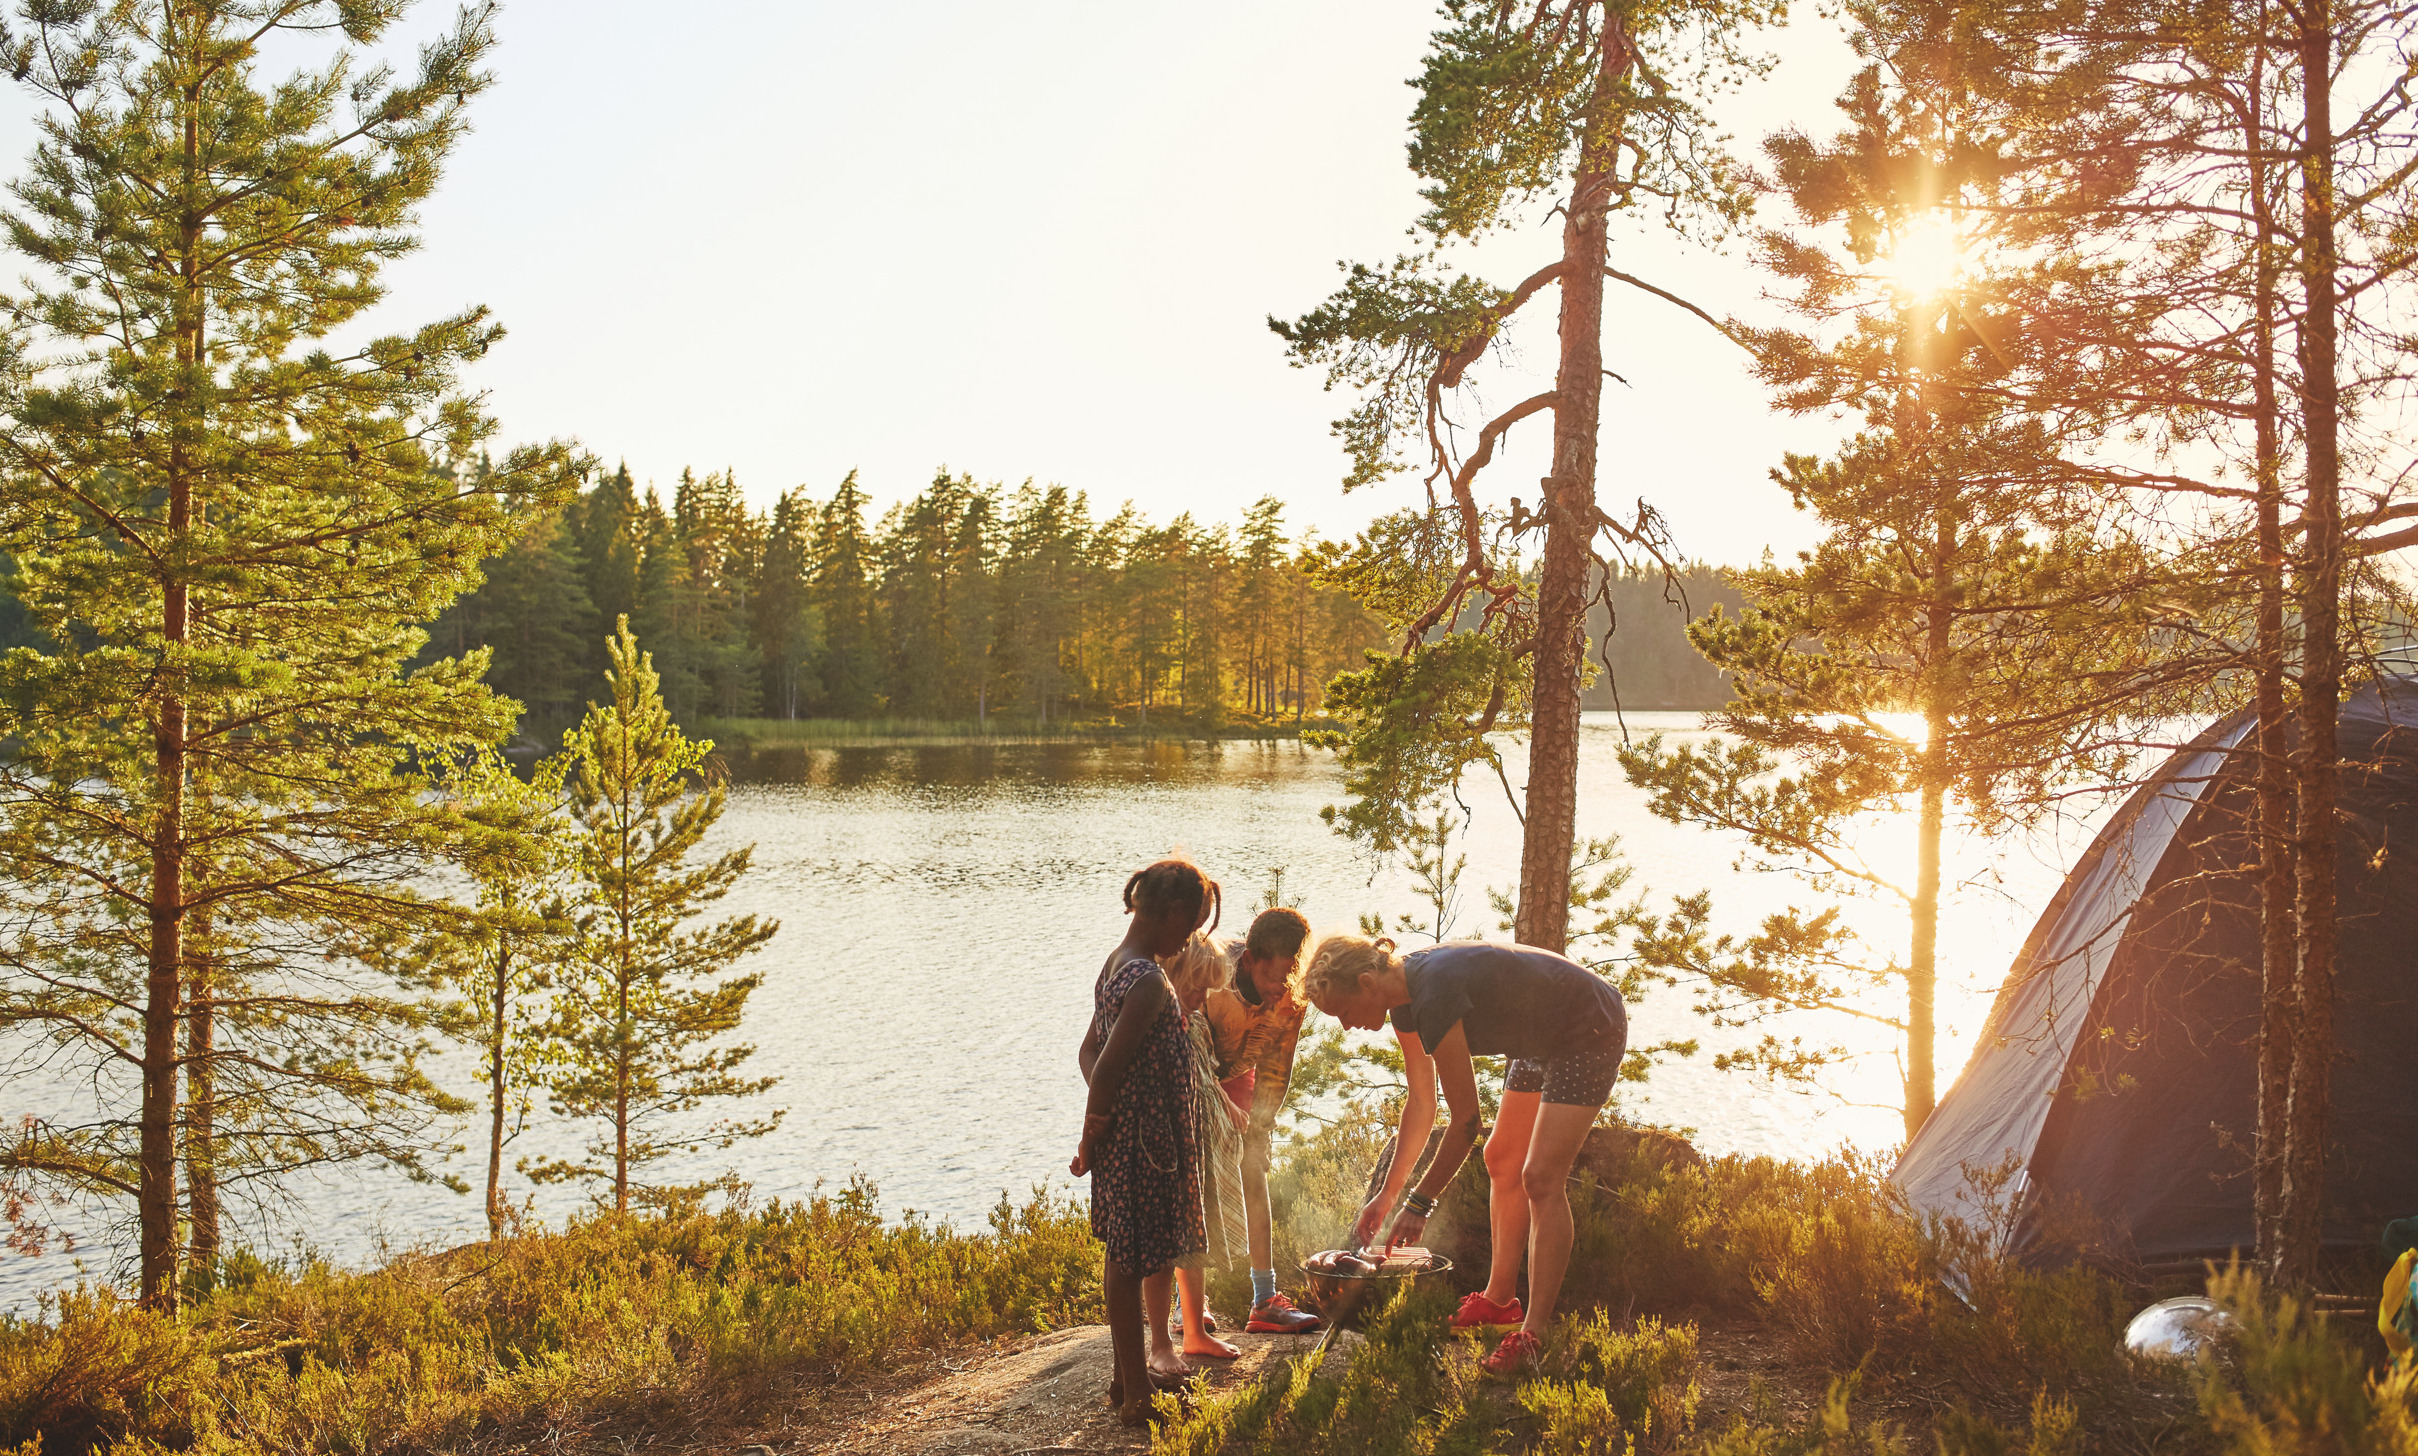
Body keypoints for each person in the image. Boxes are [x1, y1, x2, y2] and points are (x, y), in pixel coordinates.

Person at [1301, 933, 1628, 1378]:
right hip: (1539, 1038)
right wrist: (1387, 1196)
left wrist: (1420, 1203)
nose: (1345, 1025)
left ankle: (1533, 1337)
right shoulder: (1402, 1000)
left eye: (1342, 1011)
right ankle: (1498, 1302)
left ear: (1365, 983)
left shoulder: (1434, 991)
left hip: (1587, 1026)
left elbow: (1467, 1121)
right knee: (1502, 1158)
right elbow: (1422, 1102)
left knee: (1541, 1178)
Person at [1072, 859, 1219, 1425]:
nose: (1189, 940)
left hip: (1132, 1135)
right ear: (1172, 913)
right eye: (1191, 926)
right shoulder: (1150, 982)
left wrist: (1108, 1110)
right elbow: (1106, 1067)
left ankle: (1124, 1377)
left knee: (1125, 1254)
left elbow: (1088, 1054)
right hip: (1144, 1144)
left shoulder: (1117, 964)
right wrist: (1094, 1134)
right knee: (1129, 1260)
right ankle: (1137, 1393)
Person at [1204, 906, 1324, 1334]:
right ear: (1250, 960)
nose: (1282, 988)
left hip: (1239, 1071)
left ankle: (1265, 1299)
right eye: (1274, 977)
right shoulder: (1212, 977)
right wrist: (1218, 1105)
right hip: (1195, 1068)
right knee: (1199, 1175)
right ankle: (1190, 1303)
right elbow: (1189, 1051)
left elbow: (1277, 1067)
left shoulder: (1292, 990)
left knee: (1253, 1168)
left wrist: (1262, 1126)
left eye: (1290, 977)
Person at [1155, 932, 1247, 1364]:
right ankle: (1161, 1341)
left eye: (1206, 990)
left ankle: (1194, 1331)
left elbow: (1207, 1073)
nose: (1200, 998)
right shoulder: (1156, 1018)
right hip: (1172, 1140)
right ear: (1170, 976)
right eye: (1193, 987)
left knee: (1196, 1234)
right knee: (1166, 1242)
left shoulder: (1193, 1020)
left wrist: (1228, 1105)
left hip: (1202, 1134)